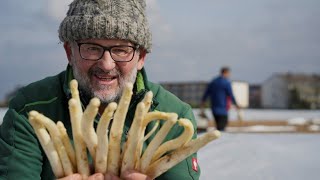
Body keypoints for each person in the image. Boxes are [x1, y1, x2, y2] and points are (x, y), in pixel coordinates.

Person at [0, 0, 200, 179]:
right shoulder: (30, 108)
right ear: (70, 52)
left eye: (121, 49)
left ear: (141, 57)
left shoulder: (173, 115)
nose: (106, 64)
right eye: (92, 48)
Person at [200, 67, 239, 131]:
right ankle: (220, 139)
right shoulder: (226, 82)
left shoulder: (213, 82)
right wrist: (236, 104)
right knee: (222, 127)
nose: (229, 75)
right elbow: (230, 94)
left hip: (214, 108)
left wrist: (203, 101)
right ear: (225, 73)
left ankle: (218, 138)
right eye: (229, 73)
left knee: (218, 126)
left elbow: (206, 93)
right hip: (223, 108)